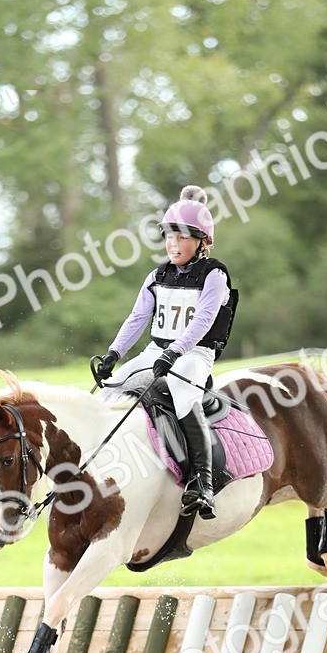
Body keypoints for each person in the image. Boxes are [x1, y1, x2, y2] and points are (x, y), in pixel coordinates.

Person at [94, 185, 237, 520]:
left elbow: (203, 319)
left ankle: (202, 481)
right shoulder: (158, 274)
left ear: (202, 241)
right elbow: (138, 317)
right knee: (112, 388)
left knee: (183, 391)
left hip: (194, 355)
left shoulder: (214, 274)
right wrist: (114, 353)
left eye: (182, 237)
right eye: (169, 236)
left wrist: (176, 352)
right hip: (157, 350)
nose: (173, 243)